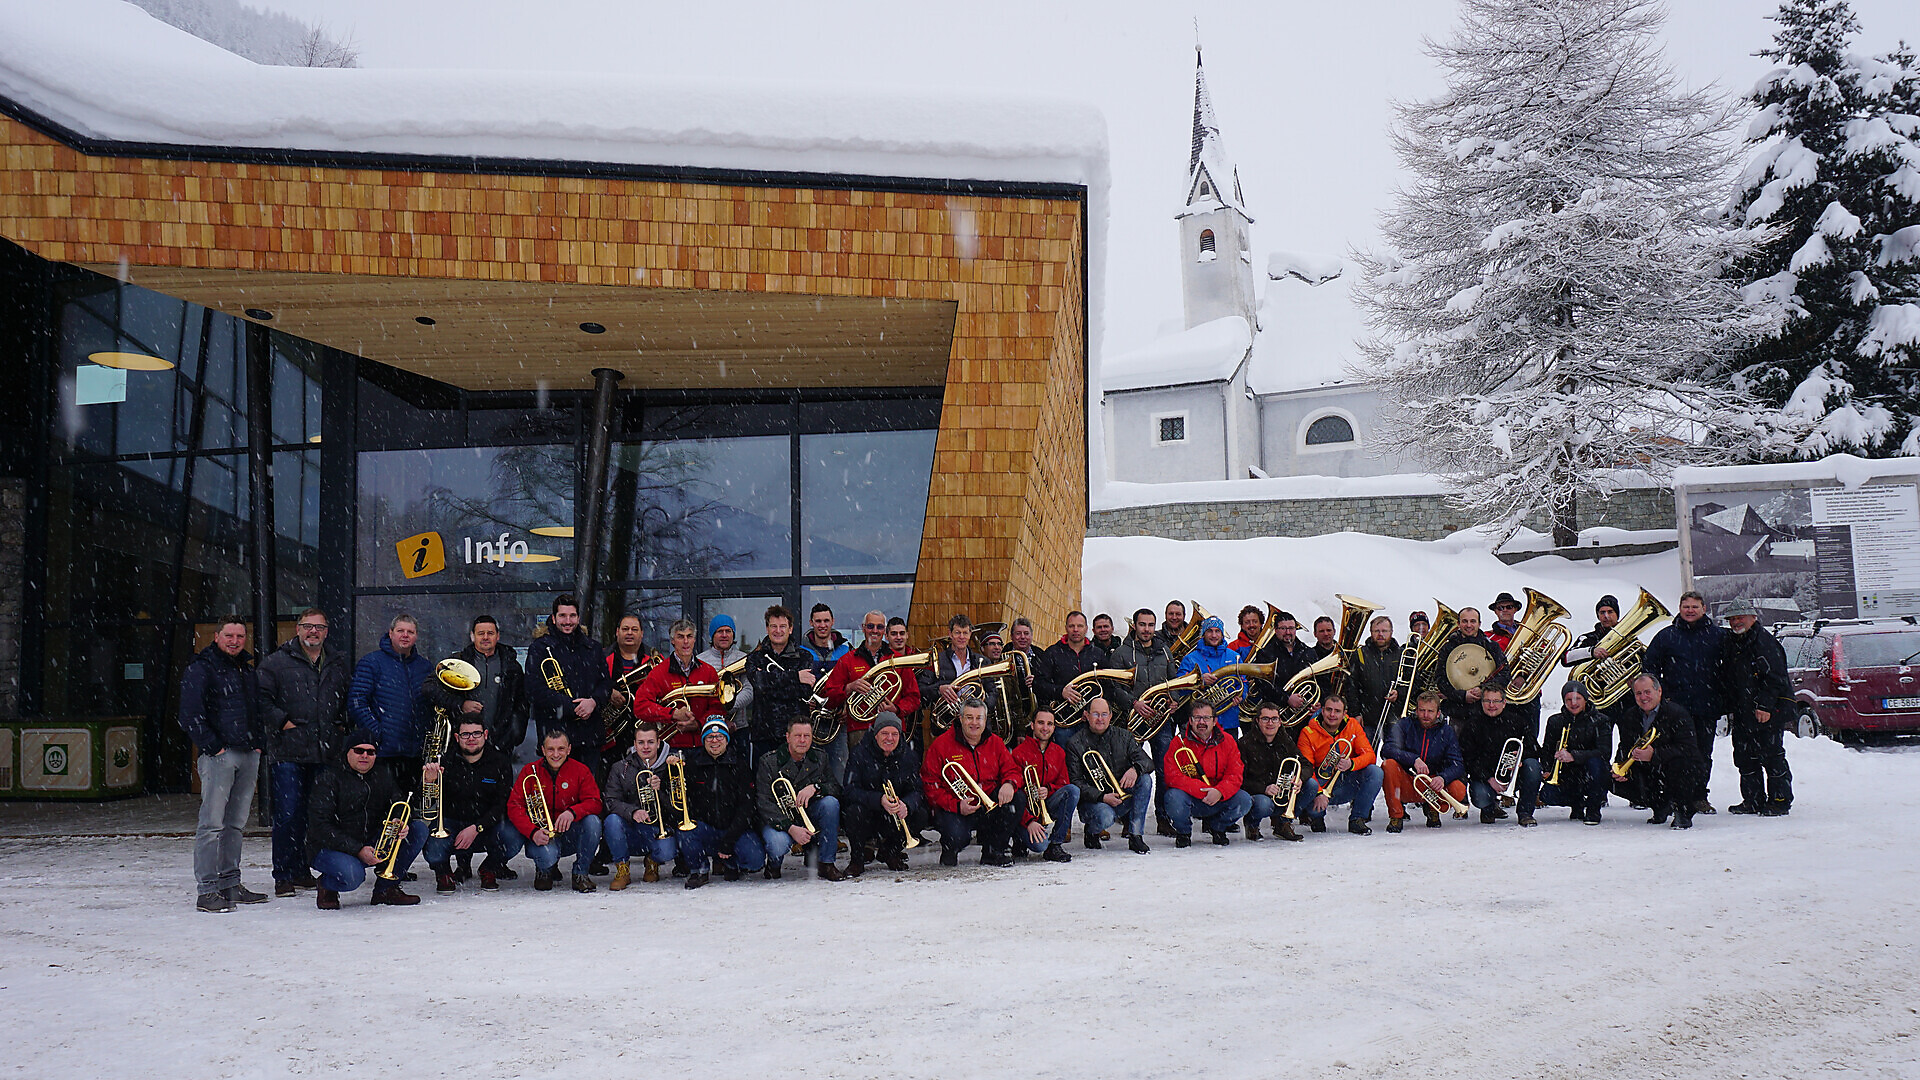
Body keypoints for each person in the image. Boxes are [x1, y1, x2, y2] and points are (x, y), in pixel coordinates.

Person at [178, 616, 268, 912]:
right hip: (220, 755)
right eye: (229, 635)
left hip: (247, 753)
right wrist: (213, 746)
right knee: (212, 824)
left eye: (240, 636)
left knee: (235, 824)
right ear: (216, 637)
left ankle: (230, 883)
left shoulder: (247, 670)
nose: (235, 641)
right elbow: (190, 713)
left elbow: (256, 709)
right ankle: (207, 891)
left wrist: (258, 742)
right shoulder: (201, 669)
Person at [256, 607, 347, 897]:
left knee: (315, 815)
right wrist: (283, 722)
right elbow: (260, 700)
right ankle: (283, 874)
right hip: (289, 752)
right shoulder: (275, 663)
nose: (313, 632)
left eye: (319, 627)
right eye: (308, 626)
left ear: (326, 632)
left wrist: (341, 727)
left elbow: (345, 698)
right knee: (288, 813)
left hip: (325, 752)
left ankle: (302, 870)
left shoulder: (337, 662)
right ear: (297, 629)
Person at [306, 728, 426, 909]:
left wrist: (400, 822)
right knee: (352, 877)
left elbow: (399, 803)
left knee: (418, 829)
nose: (365, 756)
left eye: (371, 752)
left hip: (369, 841)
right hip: (329, 847)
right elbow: (320, 827)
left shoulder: (383, 774)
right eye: (359, 751)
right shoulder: (328, 778)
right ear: (347, 752)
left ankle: (386, 889)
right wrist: (357, 849)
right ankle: (327, 884)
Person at [1643, 590, 1726, 816]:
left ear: (1704, 609)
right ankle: (1671, 796)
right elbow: (1649, 668)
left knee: (1702, 754)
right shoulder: (1666, 636)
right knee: (1671, 753)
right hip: (1673, 709)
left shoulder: (1718, 635)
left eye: (1695, 607)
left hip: (1705, 707)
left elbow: (1728, 669)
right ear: (1680, 608)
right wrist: (1659, 696)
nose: (1690, 611)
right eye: (1686, 607)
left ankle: (1699, 797)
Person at [820, 611, 921, 779]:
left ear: (885, 631)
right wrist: (849, 687)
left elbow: (914, 698)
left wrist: (896, 708)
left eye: (879, 627)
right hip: (860, 730)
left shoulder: (898, 660)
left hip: (892, 728)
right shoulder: (847, 660)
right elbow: (828, 697)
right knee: (863, 779)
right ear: (863, 628)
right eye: (870, 626)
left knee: (896, 779)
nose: (875, 630)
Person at [1719, 599, 1795, 816]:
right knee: (1745, 757)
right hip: (1743, 711)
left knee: (1772, 756)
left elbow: (1775, 678)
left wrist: (1764, 706)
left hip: (1767, 712)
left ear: (1753, 618)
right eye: (1732, 618)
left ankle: (1780, 801)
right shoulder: (1734, 643)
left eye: (1740, 617)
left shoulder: (1765, 642)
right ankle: (1752, 800)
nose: (1735, 622)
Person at [525, 595, 613, 780]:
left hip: (589, 736)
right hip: (555, 736)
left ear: (578, 618)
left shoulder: (593, 648)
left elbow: (605, 684)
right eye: (563, 616)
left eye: (572, 616)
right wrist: (571, 707)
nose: (568, 621)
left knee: (587, 791)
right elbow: (534, 689)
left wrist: (593, 702)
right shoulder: (539, 648)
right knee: (556, 793)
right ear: (554, 618)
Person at [423, 717, 517, 891]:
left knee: (512, 838)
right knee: (433, 849)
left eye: (476, 733)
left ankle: (489, 868)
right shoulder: (443, 761)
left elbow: (502, 804)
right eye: (466, 734)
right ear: (457, 737)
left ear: (485, 735)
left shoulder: (500, 762)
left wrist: (477, 827)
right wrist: (429, 782)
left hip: (486, 824)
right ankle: (443, 872)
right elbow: (426, 803)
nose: (471, 738)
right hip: (451, 823)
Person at [922, 700, 1020, 867]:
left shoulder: (995, 742)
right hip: (955, 807)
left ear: (985, 719)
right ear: (960, 718)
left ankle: (993, 851)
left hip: (987, 803)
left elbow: (1012, 770)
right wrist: (956, 805)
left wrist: (1010, 784)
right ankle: (950, 848)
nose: (974, 723)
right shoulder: (941, 744)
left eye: (978, 718)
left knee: (1017, 799)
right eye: (969, 717)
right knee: (956, 836)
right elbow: (929, 784)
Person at [347, 613, 432, 803]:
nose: (405, 635)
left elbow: (431, 705)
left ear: (416, 636)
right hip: (383, 752)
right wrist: (379, 733)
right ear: (391, 633)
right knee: (383, 806)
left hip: (414, 753)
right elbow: (357, 702)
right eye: (400, 630)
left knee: (408, 808)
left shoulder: (425, 667)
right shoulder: (372, 662)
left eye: (410, 632)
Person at [507, 730, 605, 892]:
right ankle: (545, 870)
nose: (556, 754)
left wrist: (572, 812)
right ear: (543, 750)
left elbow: (595, 802)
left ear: (569, 749)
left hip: (569, 833)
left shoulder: (581, 771)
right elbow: (514, 806)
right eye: (550, 749)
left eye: (561, 749)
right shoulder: (529, 772)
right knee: (547, 857)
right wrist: (532, 832)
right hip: (541, 834)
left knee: (593, 822)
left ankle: (580, 873)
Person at [421, 614, 528, 760]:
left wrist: (514, 735)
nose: (485, 637)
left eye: (490, 633)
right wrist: (460, 704)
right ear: (472, 636)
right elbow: (429, 688)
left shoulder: (511, 666)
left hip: (500, 745)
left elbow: (521, 703)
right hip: (463, 745)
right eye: (480, 633)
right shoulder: (458, 662)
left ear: (497, 636)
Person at [1111, 608, 1178, 837]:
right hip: (1133, 721)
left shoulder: (1165, 652)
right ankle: (1129, 818)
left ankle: (1163, 817)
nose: (1146, 630)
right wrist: (1134, 704)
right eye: (1142, 625)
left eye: (1150, 625)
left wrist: (1174, 701)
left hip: (1161, 720)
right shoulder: (1121, 653)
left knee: (1164, 770)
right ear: (1135, 626)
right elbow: (1114, 687)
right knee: (1130, 769)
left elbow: (1174, 683)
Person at [756, 715, 845, 880]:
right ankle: (774, 864)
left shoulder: (820, 757)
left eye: (807, 736)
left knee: (831, 804)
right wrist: (790, 827)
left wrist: (816, 788)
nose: (803, 740)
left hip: (808, 813)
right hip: (780, 820)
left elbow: (836, 788)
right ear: (787, 737)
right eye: (798, 736)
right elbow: (764, 803)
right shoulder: (769, 761)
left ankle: (826, 863)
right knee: (777, 844)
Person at [680, 718, 766, 888]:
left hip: (734, 827)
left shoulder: (740, 764)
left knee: (755, 860)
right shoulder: (692, 764)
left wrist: (729, 841)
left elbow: (747, 807)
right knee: (686, 833)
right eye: (710, 737)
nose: (714, 741)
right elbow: (681, 799)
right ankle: (699, 869)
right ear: (703, 740)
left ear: (727, 739)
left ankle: (731, 862)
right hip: (706, 828)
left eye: (719, 736)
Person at [1066, 696, 1155, 853]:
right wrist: (1102, 797)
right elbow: (1076, 782)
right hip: (1093, 802)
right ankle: (1091, 831)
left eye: (1104, 714)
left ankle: (1136, 835)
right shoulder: (1075, 743)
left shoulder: (1124, 736)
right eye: (1095, 714)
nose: (1100, 719)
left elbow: (1147, 762)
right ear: (1086, 715)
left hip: (1121, 796)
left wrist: (1135, 769)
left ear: (1111, 716)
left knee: (1145, 780)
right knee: (1106, 817)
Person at [843, 711, 924, 874]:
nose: (890, 738)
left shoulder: (908, 756)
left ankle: (890, 852)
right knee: (852, 812)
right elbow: (850, 790)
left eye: (894, 734)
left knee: (921, 814)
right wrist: (878, 799)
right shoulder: (860, 753)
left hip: (894, 814)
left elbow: (917, 790)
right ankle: (857, 860)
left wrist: (906, 804)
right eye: (884, 733)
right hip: (868, 812)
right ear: (875, 734)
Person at [1622, 673, 1705, 829]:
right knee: (1613, 780)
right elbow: (1624, 745)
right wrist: (1620, 766)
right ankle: (1659, 806)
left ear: (1659, 691)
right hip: (1648, 769)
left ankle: (1683, 812)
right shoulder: (1630, 715)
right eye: (1638, 693)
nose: (1643, 697)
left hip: (1674, 766)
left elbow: (1688, 749)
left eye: (1647, 692)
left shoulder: (1677, 713)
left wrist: (1655, 754)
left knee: (1681, 766)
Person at [1162, 701, 1250, 845]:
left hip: (1218, 797)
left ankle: (1218, 828)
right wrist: (1201, 791)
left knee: (1244, 800)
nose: (1201, 722)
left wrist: (1220, 791)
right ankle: (1183, 832)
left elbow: (1235, 774)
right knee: (1173, 797)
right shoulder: (1179, 742)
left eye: (1206, 718)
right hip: (1192, 798)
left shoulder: (1227, 741)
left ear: (1215, 721)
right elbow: (1172, 775)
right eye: (1197, 718)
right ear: (1190, 720)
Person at [1295, 695, 1384, 836]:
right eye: (1328, 710)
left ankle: (1357, 819)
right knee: (1310, 784)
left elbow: (1370, 755)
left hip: (1346, 781)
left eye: (1337, 711)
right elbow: (1306, 767)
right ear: (1322, 711)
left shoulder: (1353, 725)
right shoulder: (1308, 732)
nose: (1332, 715)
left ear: (1344, 713)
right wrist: (1318, 793)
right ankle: (1317, 817)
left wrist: (1351, 763)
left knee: (1375, 772)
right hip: (1321, 783)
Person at [601, 722, 678, 887]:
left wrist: (660, 792)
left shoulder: (670, 767)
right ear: (634, 744)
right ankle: (623, 869)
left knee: (667, 852)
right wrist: (633, 811)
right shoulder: (620, 768)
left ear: (659, 742)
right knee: (612, 821)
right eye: (641, 742)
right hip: (630, 828)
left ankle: (652, 861)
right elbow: (610, 801)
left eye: (650, 742)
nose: (646, 747)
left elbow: (678, 808)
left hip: (656, 829)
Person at [1380, 690, 1469, 831]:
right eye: (1422, 710)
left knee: (1458, 789)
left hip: (1433, 783)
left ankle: (1433, 807)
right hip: (1407, 782)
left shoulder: (1447, 731)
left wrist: (1443, 778)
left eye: (1430, 711)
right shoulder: (1404, 724)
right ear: (1416, 710)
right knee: (1388, 765)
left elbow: (1457, 765)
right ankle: (1396, 815)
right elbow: (1387, 749)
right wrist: (1413, 759)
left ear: (1438, 713)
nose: (1425, 715)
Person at [1458, 684, 1542, 826]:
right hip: (1485, 778)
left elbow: (1535, 748)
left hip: (1513, 776)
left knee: (1533, 766)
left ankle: (1525, 813)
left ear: (1504, 702)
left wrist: (1520, 757)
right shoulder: (1472, 724)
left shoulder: (1517, 721)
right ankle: (1488, 809)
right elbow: (1467, 760)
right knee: (1481, 797)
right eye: (1487, 701)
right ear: (1482, 702)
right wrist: (1489, 778)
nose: (1491, 705)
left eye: (1496, 701)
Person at [636, 619, 720, 752]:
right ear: (672, 641)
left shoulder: (708, 671)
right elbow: (640, 706)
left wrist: (698, 724)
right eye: (680, 637)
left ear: (694, 639)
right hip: (671, 749)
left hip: (704, 746)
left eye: (689, 636)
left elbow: (718, 708)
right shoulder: (659, 672)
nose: (685, 641)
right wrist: (673, 714)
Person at [746, 605, 814, 765]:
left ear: (790, 629)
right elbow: (759, 684)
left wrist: (771, 681)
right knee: (764, 787)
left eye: (782, 626)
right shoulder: (754, 658)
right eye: (773, 626)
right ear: (767, 629)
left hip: (795, 736)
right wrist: (795, 676)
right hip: (763, 735)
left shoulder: (804, 657)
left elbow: (804, 692)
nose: (778, 631)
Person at [1008, 709, 1078, 862]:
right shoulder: (1018, 753)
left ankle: (1056, 844)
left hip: (1047, 805)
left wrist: (1049, 789)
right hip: (1025, 813)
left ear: (1054, 728)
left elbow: (1063, 783)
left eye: (1049, 724)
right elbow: (1014, 794)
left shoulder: (1059, 752)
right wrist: (1029, 821)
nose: (1045, 728)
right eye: (1040, 723)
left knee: (1073, 791)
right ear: (1032, 725)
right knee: (1039, 846)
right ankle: (1019, 836)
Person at [1538, 682, 1612, 826]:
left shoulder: (1601, 720)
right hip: (1568, 773)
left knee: (1596, 763)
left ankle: (1593, 809)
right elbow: (1547, 749)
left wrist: (1574, 756)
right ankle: (1576, 804)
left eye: (1578, 698)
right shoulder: (1555, 721)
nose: (1573, 703)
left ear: (1585, 699)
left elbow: (1604, 752)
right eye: (1568, 699)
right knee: (1547, 795)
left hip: (1592, 771)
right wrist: (1547, 769)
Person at [1036, 611, 1125, 728]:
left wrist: (1093, 709)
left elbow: (1108, 686)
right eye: (1072, 626)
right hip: (1064, 722)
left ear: (1086, 628)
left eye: (1080, 626)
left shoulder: (1097, 654)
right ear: (1066, 628)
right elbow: (1038, 684)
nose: (1076, 629)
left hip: (1092, 722)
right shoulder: (1053, 652)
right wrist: (1061, 691)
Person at [1238, 701, 1305, 842]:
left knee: (1309, 785)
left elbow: (1305, 764)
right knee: (1264, 804)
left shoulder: (1285, 740)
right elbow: (1239, 779)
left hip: (1280, 791)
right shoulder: (1245, 743)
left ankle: (1283, 823)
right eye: (1265, 719)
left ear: (1280, 722)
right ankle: (1252, 824)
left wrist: (1300, 778)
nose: (1270, 723)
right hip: (1258, 793)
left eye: (1274, 719)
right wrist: (1264, 788)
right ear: (1257, 721)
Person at [1434, 607, 1508, 726]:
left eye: (1473, 621)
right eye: (1465, 621)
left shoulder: (1492, 647)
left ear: (1479, 624)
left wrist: (1483, 690)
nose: (1469, 625)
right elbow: (1440, 679)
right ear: (1458, 624)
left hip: (1485, 712)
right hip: (1457, 712)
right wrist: (1462, 696)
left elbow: (1504, 674)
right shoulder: (1447, 648)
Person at [1175, 615, 1248, 734]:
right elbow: (1179, 688)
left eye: (1217, 631)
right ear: (1203, 634)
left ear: (1222, 634)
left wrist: (1241, 695)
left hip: (1228, 720)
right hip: (1200, 723)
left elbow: (1243, 682)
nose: (1214, 635)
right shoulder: (1190, 659)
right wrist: (1200, 681)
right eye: (1210, 631)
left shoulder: (1234, 656)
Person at [602, 614, 660, 759]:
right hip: (610, 736)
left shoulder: (654, 660)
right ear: (617, 632)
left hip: (644, 734)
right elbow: (590, 685)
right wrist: (607, 692)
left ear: (642, 634)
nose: (629, 633)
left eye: (634, 629)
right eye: (625, 629)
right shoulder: (602, 658)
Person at [921, 613, 987, 725]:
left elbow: (992, 692)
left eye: (965, 633)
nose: (962, 637)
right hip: (947, 722)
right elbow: (921, 689)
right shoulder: (936, 661)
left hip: (976, 723)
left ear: (970, 634)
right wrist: (939, 689)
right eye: (957, 633)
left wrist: (980, 709)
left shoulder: (981, 661)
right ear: (950, 634)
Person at [697, 614, 754, 743]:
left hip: (739, 728)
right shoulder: (700, 661)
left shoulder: (744, 658)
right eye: (719, 631)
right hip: (709, 729)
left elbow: (749, 690)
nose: (724, 635)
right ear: (712, 635)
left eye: (728, 631)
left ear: (733, 635)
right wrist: (719, 716)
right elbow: (700, 695)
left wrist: (727, 706)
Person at [1351, 615, 1404, 737]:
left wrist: (1399, 693)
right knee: (1366, 753)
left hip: (1394, 715)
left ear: (1391, 632)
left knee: (1392, 753)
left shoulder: (1401, 654)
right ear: (1371, 632)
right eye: (1377, 631)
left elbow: (1413, 681)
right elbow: (1352, 685)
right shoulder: (1360, 654)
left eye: (1384, 631)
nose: (1380, 634)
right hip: (1367, 716)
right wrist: (1356, 713)